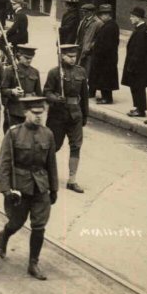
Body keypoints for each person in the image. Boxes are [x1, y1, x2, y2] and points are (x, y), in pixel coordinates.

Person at [0, 96, 58, 281]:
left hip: (40, 187)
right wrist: (6, 190)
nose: (39, 117)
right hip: (20, 188)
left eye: (42, 113)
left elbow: (51, 163)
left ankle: (33, 263)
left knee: (39, 226)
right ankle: (4, 235)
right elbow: (4, 163)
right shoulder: (14, 133)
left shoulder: (48, 134)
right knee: (16, 223)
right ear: (26, 113)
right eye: (35, 113)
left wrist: (54, 188)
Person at [43, 44, 88, 193]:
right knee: (54, 146)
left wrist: (85, 115)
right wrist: (56, 98)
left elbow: (84, 96)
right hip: (58, 115)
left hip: (75, 114)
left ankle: (72, 180)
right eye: (69, 56)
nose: (73, 59)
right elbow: (47, 93)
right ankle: (44, 173)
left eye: (74, 56)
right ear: (62, 56)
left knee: (76, 146)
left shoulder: (81, 72)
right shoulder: (55, 73)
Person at [0, 45, 42, 131]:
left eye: (31, 58)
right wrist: (12, 91)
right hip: (14, 110)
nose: (29, 60)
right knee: (13, 138)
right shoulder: (10, 70)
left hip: (29, 111)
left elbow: (39, 93)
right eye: (26, 58)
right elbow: (3, 90)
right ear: (20, 56)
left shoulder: (35, 72)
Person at [89, 4, 119, 104]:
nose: (101, 17)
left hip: (106, 58)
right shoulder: (109, 25)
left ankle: (107, 98)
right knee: (104, 77)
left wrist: (98, 50)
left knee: (106, 78)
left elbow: (107, 44)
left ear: (108, 15)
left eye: (102, 14)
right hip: (106, 57)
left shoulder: (110, 26)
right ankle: (105, 97)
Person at [122, 7, 147, 117]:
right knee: (135, 86)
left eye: (132, 17)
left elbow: (139, 50)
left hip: (137, 65)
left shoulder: (142, 30)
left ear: (138, 18)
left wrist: (132, 65)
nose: (130, 19)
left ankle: (141, 109)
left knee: (138, 87)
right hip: (135, 64)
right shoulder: (140, 28)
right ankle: (138, 107)